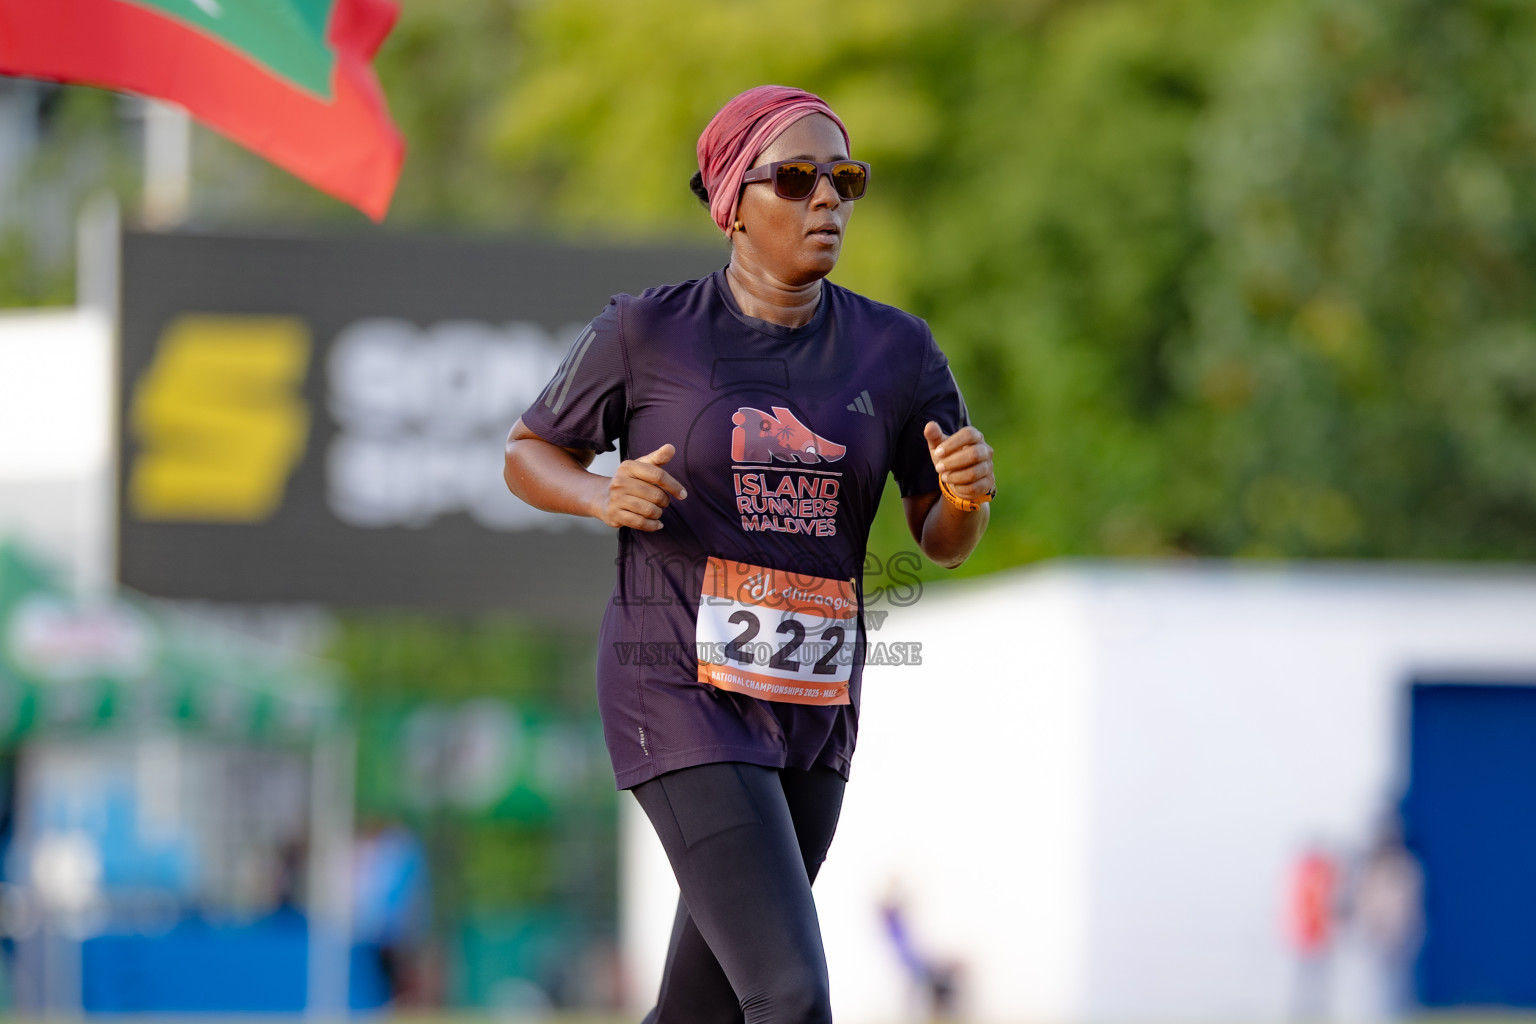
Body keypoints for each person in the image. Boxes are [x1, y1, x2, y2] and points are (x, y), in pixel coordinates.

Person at [503, 84, 995, 1024]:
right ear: (732, 201)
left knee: (708, 1009)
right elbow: (529, 453)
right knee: (791, 998)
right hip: (676, 687)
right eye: (798, 179)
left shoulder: (898, 349)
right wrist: (599, 491)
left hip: (812, 699)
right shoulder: (647, 330)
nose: (828, 201)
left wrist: (966, 496)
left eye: (845, 179)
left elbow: (941, 541)